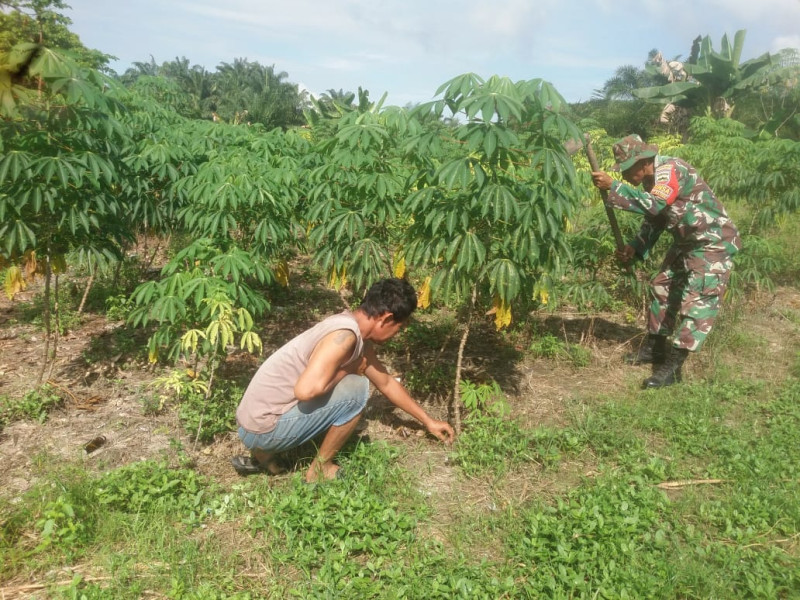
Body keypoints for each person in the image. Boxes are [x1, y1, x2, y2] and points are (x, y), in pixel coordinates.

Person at [232, 277, 454, 483]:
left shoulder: (351, 329)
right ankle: (320, 469)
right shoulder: (345, 336)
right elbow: (305, 391)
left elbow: (385, 382)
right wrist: (348, 371)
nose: (399, 333)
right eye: (400, 327)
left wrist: (428, 421)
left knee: (354, 380)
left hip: (251, 424)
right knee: (356, 389)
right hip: (262, 429)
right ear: (386, 318)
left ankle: (265, 456)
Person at [591, 134, 741, 389]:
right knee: (662, 285)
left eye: (627, 169)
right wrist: (636, 248)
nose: (626, 175)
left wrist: (614, 187)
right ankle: (655, 348)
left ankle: (672, 367)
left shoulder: (669, 170)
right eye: (622, 172)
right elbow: (656, 219)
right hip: (688, 243)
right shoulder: (651, 180)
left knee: (698, 302)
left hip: (712, 243)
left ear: (644, 162)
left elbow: (657, 204)